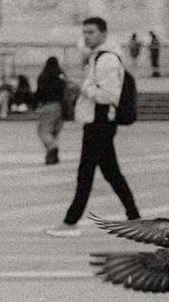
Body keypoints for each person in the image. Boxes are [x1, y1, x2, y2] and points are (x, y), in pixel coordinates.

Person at [46, 16, 141, 233]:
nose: (86, 37)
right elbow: (82, 47)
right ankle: (134, 216)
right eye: (84, 32)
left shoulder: (106, 60)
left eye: (91, 33)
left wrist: (82, 88)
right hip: (98, 120)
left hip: (100, 121)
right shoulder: (98, 55)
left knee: (86, 172)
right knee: (111, 173)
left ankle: (70, 222)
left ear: (104, 34)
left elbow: (109, 95)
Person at [34, 55, 67, 164]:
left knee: (43, 131)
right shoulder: (61, 77)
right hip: (60, 106)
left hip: (48, 105)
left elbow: (39, 92)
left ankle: (52, 148)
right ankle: (52, 155)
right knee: (54, 131)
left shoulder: (44, 77)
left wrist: (34, 104)